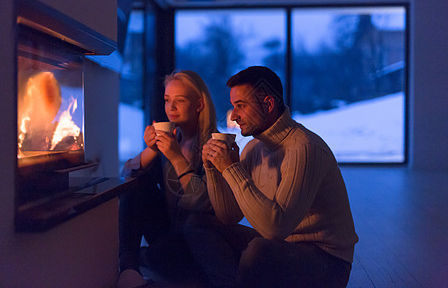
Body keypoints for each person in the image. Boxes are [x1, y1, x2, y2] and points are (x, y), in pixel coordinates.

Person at [185, 66, 359, 287]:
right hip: (280, 248)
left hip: (328, 261)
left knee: (259, 250)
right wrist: (213, 168)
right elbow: (228, 217)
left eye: (241, 106)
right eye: (233, 106)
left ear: (268, 104)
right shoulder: (253, 148)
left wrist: (231, 169)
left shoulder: (304, 147)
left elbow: (275, 229)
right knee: (198, 224)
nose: (234, 116)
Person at [117, 70, 217, 287]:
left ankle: (146, 258)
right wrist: (151, 151)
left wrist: (175, 156)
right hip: (170, 230)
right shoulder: (174, 139)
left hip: (200, 238)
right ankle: (129, 267)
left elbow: (202, 204)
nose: (171, 108)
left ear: (199, 104)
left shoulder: (213, 145)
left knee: (170, 251)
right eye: (167, 100)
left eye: (179, 101)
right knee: (137, 182)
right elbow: (126, 176)